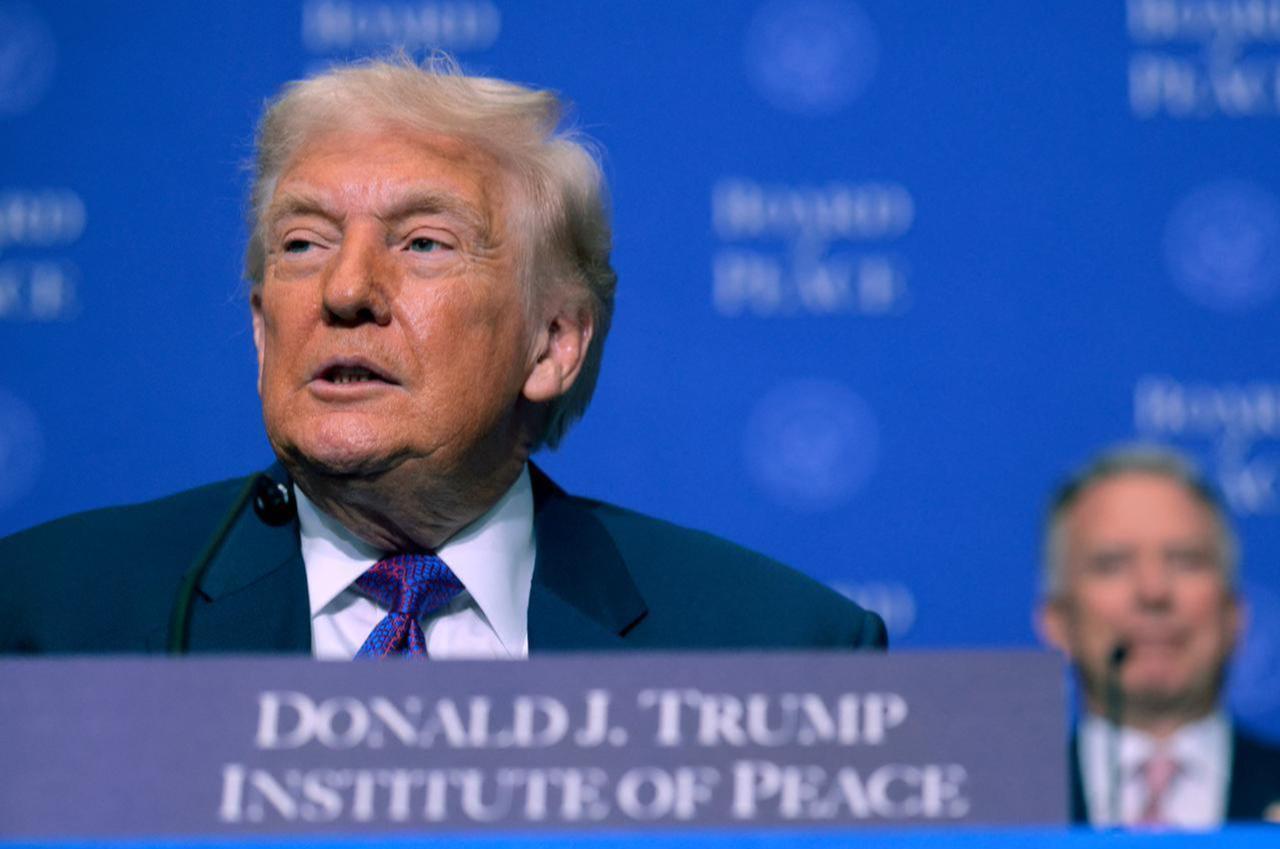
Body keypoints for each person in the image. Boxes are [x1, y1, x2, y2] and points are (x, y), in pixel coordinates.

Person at [0, 57, 885, 658]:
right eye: (303, 244)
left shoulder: (774, 648)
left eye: (423, 243)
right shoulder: (52, 617)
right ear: (263, 327)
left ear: (551, 344)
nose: (345, 289)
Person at [1036, 446, 1280, 827]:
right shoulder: (1000, 814)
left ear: (1235, 615)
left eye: (1185, 561)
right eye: (1112, 564)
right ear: (1057, 621)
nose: (1153, 592)